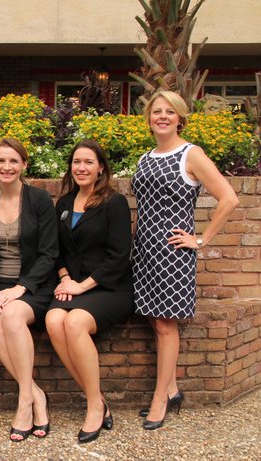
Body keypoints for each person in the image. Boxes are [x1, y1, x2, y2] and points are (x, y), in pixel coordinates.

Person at [132, 90, 239, 430]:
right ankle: (172, 388)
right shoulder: (146, 157)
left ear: (180, 118)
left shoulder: (190, 154)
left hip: (173, 254)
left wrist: (201, 239)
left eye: (170, 112)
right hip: (144, 251)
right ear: (149, 119)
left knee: (166, 325)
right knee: (153, 319)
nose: (162, 116)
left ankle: (160, 399)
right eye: (156, 111)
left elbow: (229, 198)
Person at [46, 139, 134, 443]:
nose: (81, 168)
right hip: (73, 284)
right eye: (76, 162)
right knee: (53, 320)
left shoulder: (114, 202)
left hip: (110, 286)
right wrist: (65, 277)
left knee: (74, 322)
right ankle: (97, 399)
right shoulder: (65, 203)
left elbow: (118, 257)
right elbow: (56, 251)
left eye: (88, 162)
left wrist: (81, 285)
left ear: (101, 169)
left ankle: (93, 407)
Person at [0, 138, 58, 442]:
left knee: (10, 316)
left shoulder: (39, 201)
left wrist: (21, 288)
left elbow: (49, 253)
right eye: (1, 161)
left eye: (13, 161)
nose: (7, 167)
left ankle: (24, 402)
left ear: (24, 165)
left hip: (33, 285)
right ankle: (36, 393)